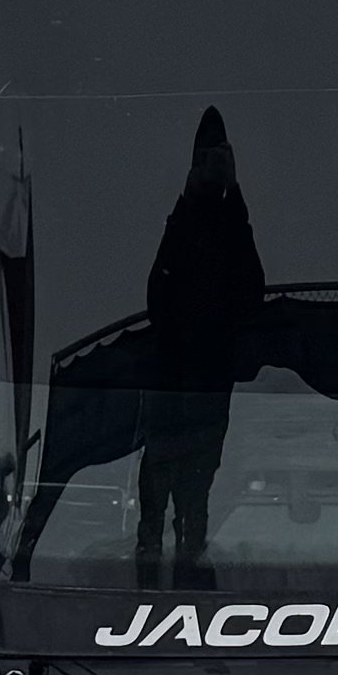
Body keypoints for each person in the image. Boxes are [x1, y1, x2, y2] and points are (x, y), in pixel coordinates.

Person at [133, 106, 264, 585]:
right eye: (205, 158)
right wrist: (188, 200)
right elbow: (157, 297)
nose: (212, 166)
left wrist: (235, 196)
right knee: (159, 476)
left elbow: (252, 294)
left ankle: (191, 558)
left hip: (209, 381)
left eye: (219, 157)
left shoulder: (233, 223)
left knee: (199, 484)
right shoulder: (181, 220)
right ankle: (150, 564)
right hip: (171, 380)